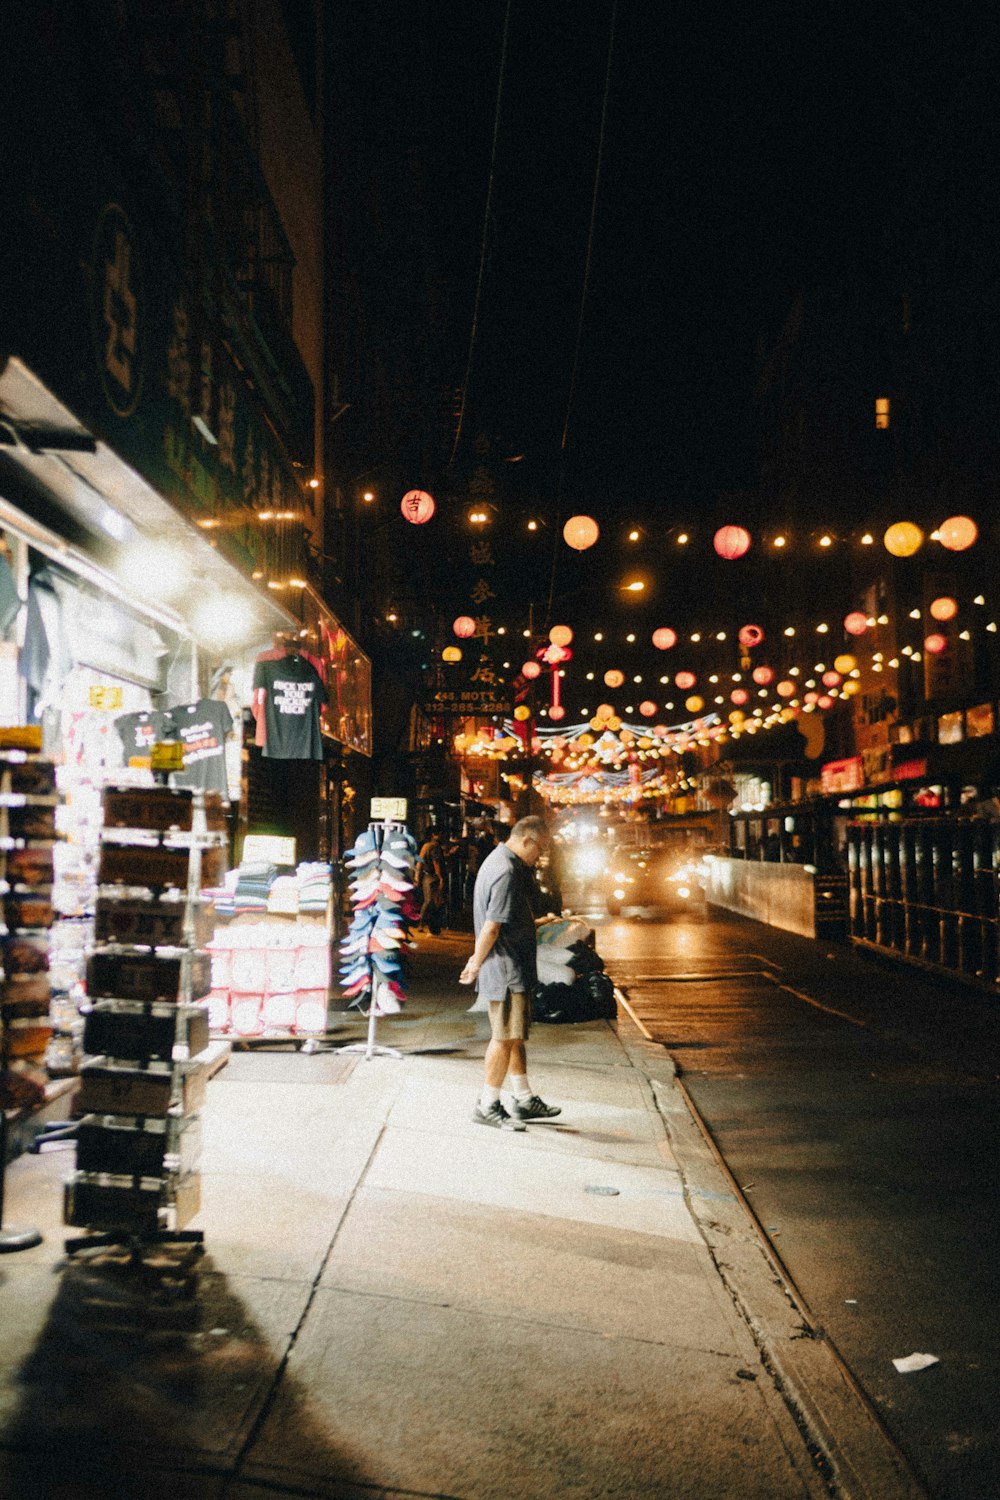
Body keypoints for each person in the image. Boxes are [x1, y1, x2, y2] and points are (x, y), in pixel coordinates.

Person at [459, 815, 562, 1128]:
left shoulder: (501, 862)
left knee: (513, 1036)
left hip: (509, 965)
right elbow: (492, 926)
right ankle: (488, 1103)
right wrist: (474, 963)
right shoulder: (505, 871)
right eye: (540, 848)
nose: (540, 855)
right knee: (504, 1039)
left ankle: (524, 1097)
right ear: (527, 840)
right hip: (505, 969)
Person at [415, 828, 446, 932]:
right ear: (434, 835)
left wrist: (417, 876)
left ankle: (424, 924)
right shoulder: (435, 847)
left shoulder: (425, 846)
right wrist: (441, 877)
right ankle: (423, 924)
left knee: (428, 901)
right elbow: (436, 862)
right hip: (432, 877)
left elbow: (419, 861)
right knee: (431, 902)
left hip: (425, 876)